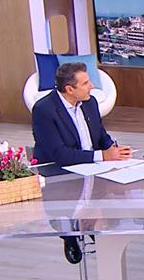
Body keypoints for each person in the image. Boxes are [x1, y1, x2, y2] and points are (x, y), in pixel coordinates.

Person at [32, 62, 132, 263]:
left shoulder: (90, 102)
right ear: (69, 89)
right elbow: (59, 155)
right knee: (72, 211)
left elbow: (101, 135)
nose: (92, 87)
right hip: (61, 172)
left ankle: (93, 226)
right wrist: (102, 156)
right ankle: (69, 234)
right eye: (85, 83)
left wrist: (114, 149)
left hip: (92, 165)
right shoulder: (44, 110)